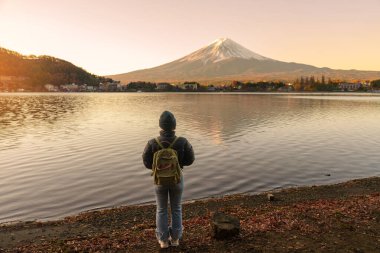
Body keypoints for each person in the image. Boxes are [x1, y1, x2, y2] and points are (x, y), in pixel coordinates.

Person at [142, 111, 195, 248]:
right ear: (174, 125)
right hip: (177, 179)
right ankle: (176, 239)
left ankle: (163, 241)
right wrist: (179, 163)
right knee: (176, 208)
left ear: (160, 125)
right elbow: (191, 160)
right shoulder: (182, 141)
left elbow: (147, 162)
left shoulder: (152, 143)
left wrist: (160, 169)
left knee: (161, 209)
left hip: (159, 180)